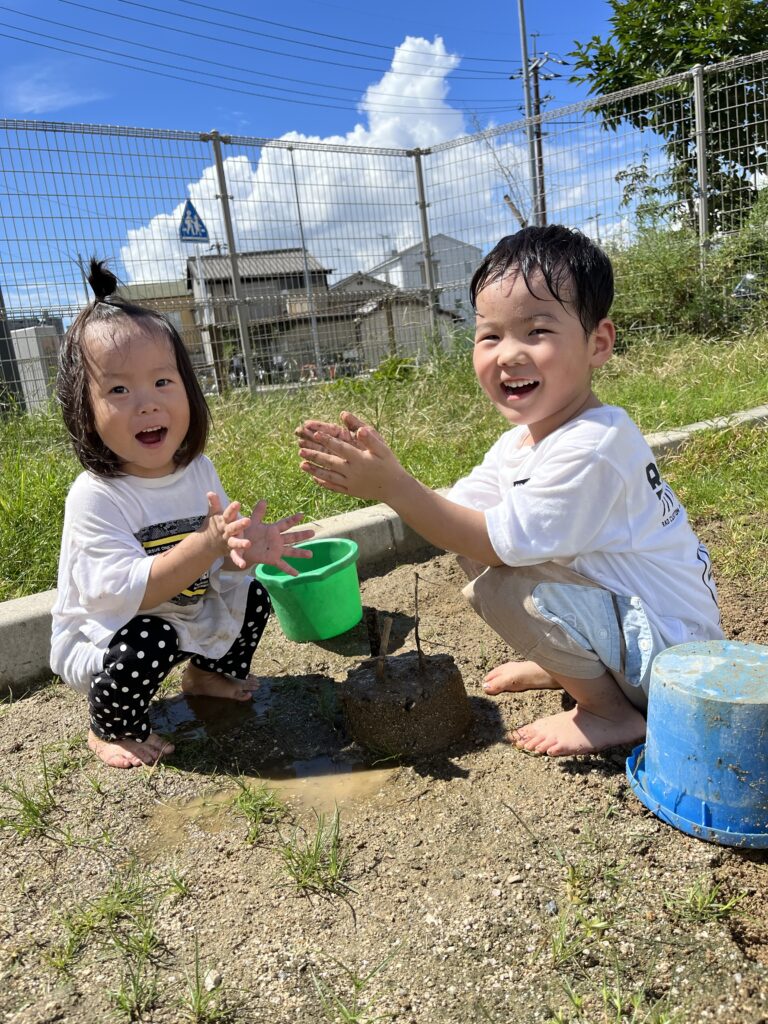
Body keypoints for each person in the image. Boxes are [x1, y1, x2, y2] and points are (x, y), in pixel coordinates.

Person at [296, 225, 723, 757]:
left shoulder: (592, 445)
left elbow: (492, 543)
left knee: (502, 580)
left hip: (670, 665)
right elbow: (457, 514)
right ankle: (569, 666)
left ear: (598, 343)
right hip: (638, 629)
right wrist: (384, 476)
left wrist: (394, 487)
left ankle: (609, 711)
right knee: (474, 551)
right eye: (490, 335)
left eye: (537, 331)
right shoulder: (522, 442)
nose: (508, 354)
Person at [51, 260, 314, 770]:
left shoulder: (198, 470)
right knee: (152, 637)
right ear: (83, 410)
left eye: (163, 382)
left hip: (184, 611)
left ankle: (205, 676)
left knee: (254, 594)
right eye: (119, 390)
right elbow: (131, 594)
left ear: (190, 391)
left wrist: (240, 557)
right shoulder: (96, 495)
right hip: (113, 633)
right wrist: (207, 542)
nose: (146, 405)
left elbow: (217, 566)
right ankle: (110, 725)